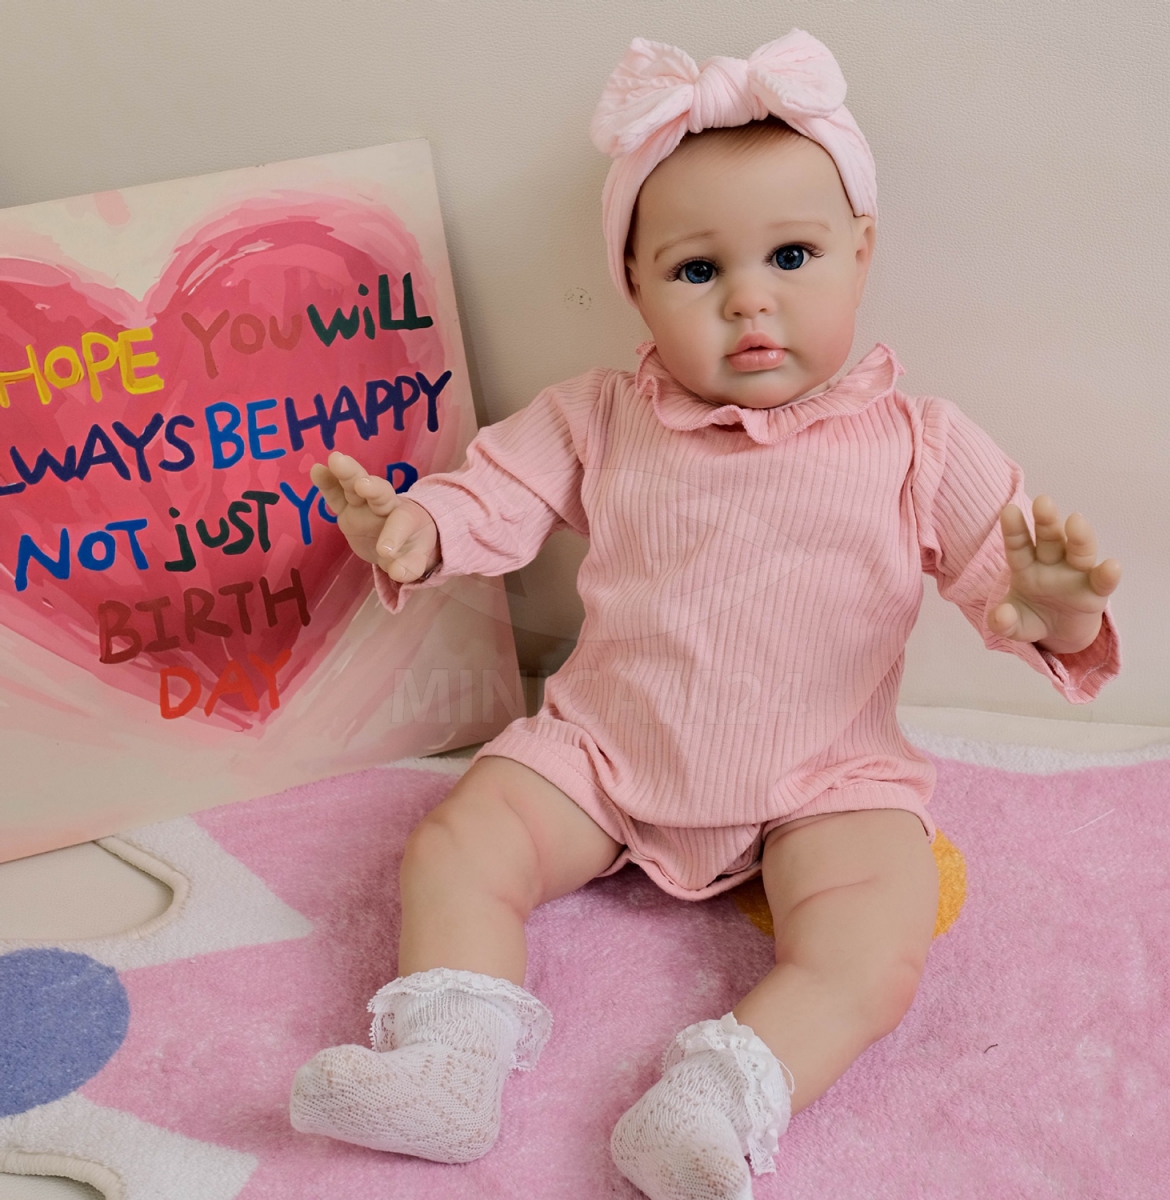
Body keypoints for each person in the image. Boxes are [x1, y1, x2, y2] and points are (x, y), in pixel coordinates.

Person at [288, 29, 1122, 1199]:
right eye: (696, 272)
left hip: (825, 773)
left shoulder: (918, 443)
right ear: (634, 284)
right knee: (459, 840)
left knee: (876, 939)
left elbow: (1009, 578)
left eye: (793, 255)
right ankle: (447, 1059)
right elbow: (498, 490)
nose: (750, 302)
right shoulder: (599, 416)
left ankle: (720, 1096)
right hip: (606, 753)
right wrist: (418, 526)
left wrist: (1053, 610)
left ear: (862, 252)